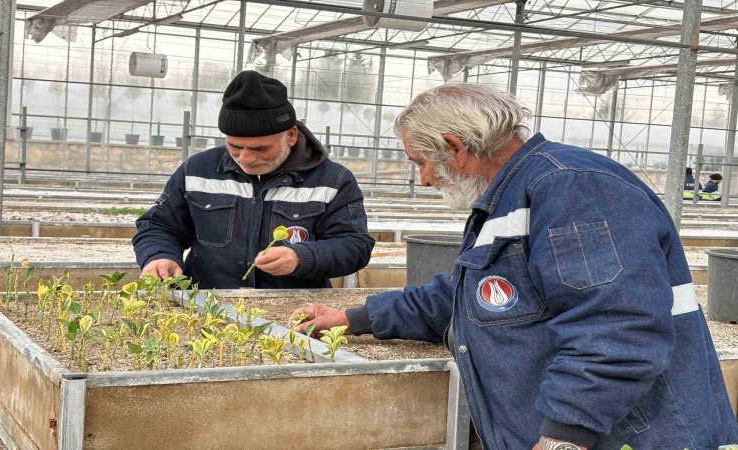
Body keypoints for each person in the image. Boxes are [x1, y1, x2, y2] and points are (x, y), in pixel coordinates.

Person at [290, 83, 738, 449]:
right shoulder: (512, 195)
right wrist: (353, 318)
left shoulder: (571, 189)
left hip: (631, 436)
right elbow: (471, 293)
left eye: (422, 162)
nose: (424, 178)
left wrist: (566, 434)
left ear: (454, 147)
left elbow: (616, 326)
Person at [132, 71, 375, 289]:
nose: (245, 158)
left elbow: (354, 245)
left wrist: (303, 257)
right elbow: (159, 225)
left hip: (294, 310)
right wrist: (159, 255)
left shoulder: (333, 180)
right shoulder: (197, 170)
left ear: (290, 136)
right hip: (207, 304)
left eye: (260, 148)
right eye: (234, 146)